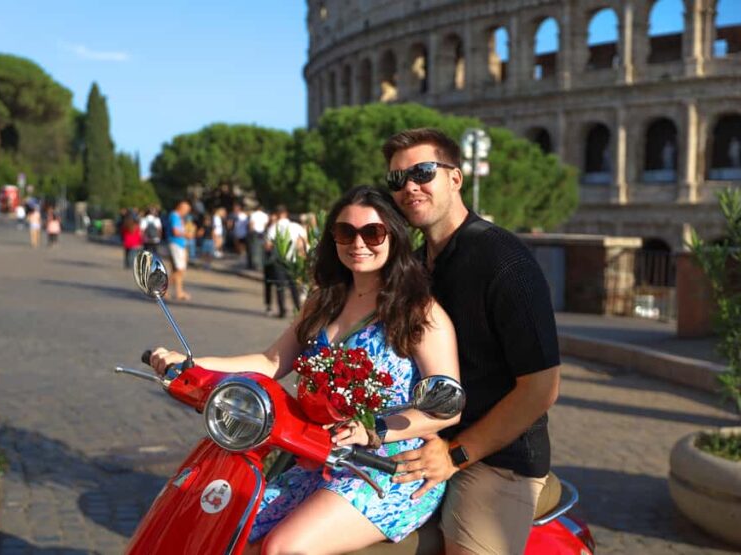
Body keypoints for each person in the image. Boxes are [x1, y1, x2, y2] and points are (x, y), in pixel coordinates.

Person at [150, 186, 460, 554]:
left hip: (389, 465)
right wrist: (190, 363)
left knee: (284, 547)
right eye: (346, 232)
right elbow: (271, 362)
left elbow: (446, 407)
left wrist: (372, 430)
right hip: (318, 455)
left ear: (394, 237)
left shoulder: (419, 311)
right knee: (233, 529)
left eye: (373, 233)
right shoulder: (324, 299)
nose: (358, 243)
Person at [380, 128, 561, 555]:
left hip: (495, 460)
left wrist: (456, 455)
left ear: (455, 178)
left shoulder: (503, 260)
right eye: (397, 179)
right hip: (421, 440)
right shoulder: (414, 263)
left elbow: (541, 388)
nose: (410, 186)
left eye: (423, 172)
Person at [266, 205, 306, 318]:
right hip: (293, 260)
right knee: (294, 286)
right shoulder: (296, 226)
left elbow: (267, 246)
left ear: (277, 214)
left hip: (279, 261)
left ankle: (282, 311)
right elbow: (303, 241)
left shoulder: (274, 227)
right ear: (286, 214)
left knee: (280, 286)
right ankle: (298, 309)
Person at [167, 200, 193, 301]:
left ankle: (179, 292)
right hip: (176, 244)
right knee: (180, 270)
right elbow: (176, 231)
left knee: (177, 270)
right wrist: (187, 234)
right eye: (186, 210)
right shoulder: (174, 216)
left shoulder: (178, 217)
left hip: (179, 244)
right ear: (181, 208)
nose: (187, 212)